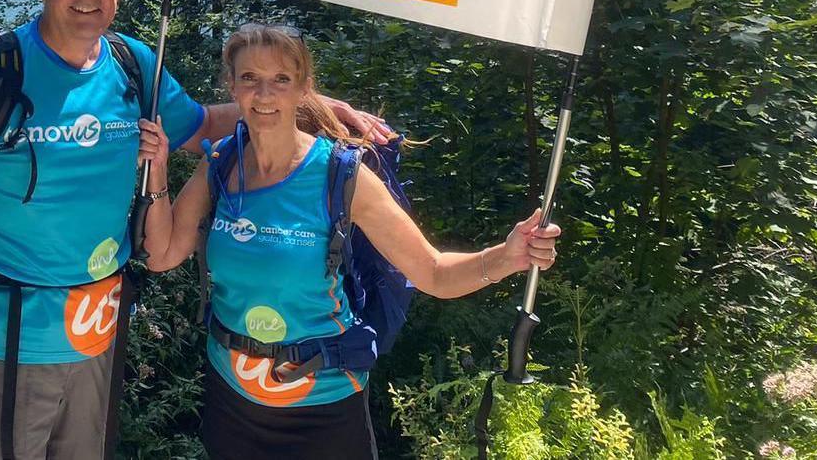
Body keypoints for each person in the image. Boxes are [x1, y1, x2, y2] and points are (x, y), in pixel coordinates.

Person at [0, 0, 391, 459]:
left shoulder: (132, 65)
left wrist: (312, 105)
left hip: (96, 339)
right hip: (3, 338)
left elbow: (204, 125)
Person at [138, 23, 562, 459]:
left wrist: (508, 255)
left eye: (281, 79)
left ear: (304, 88)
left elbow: (433, 273)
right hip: (232, 400)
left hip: (321, 407)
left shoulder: (341, 176)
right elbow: (162, 254)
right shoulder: (221, 164)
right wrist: (157, 167)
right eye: (250, 79)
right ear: (233, 86)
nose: (264, 94)